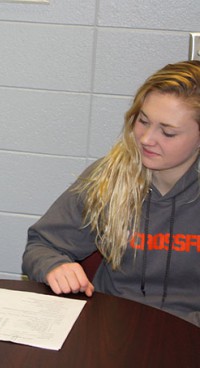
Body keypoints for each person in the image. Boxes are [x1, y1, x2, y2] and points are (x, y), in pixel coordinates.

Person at [23, 60, 200, 327]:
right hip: (112, 327)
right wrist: (53, 266)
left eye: (168, 132)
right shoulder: (109, 177)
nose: (146, 139)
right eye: (143, 121)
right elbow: (41, 246)